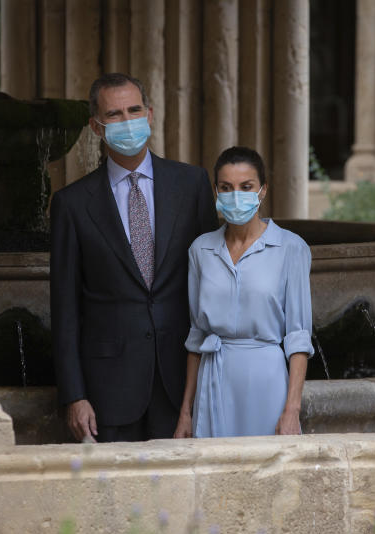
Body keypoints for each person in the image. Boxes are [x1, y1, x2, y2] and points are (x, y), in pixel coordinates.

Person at [50, 73, 218, 442]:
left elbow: (212, 283)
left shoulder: (191, 186)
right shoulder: (72, 205)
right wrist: (74, 395)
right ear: (96, 127)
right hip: (108, 390)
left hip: (182, 381)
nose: (128, 122)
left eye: (134, 110)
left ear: (150, 114)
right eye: (114, 115)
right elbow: (64, 309)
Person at [173, 147, 313, 438]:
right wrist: (186, 412)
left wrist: (292, 409)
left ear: (262, 191)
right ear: (216, 191)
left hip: (266, 380)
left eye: (246, 187)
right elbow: (196, 337)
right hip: (213, 377)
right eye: (226, 188)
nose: (236, 195)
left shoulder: (291, 247)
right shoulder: (200, 249)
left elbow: (298, 336)